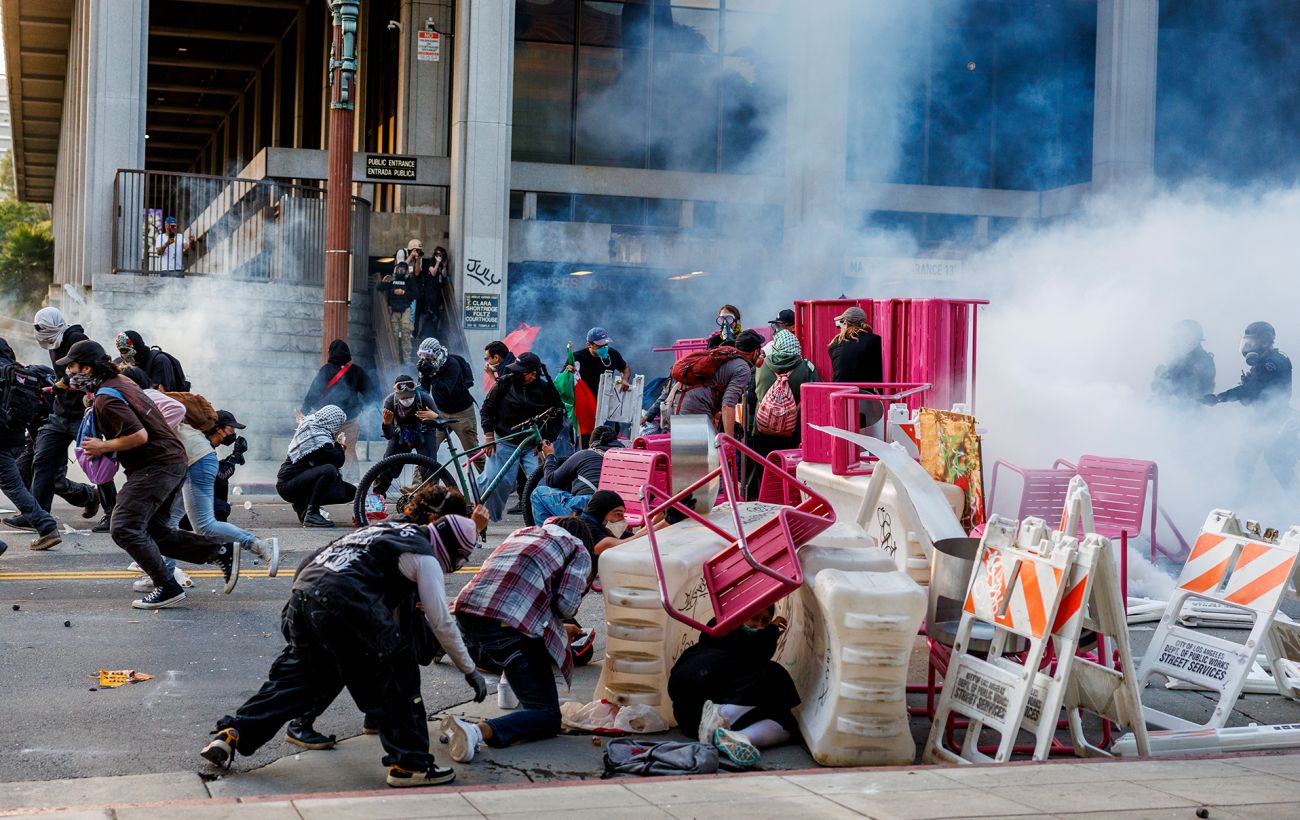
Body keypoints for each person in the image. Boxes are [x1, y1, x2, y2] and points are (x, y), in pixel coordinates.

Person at [200, 511, 489, 788]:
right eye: (460, 559)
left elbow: (317, 559)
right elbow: (441, 622)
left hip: (305, 594)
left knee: (299, 679)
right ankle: (411, 765)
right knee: (400, 674)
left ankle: (234, 732)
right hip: (345, 601)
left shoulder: (386, 529)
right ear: (451, 549)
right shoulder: (425, 556)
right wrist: (469, 670)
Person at [282, 484, 489, 749]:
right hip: (342, 607)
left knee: (387, 660)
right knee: (359, 662)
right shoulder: (407, 535)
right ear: (435, 520)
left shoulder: (414, 534)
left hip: (358, 607)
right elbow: (441, 619)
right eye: (452, 523)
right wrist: (469, 669)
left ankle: (378, 719)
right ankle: (304, 722)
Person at [59, 340, 237, 609]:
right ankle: (221, 551)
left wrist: (102, 446)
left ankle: (167, 586)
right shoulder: (122, 383)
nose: (69, 373)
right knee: (156, 531)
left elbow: (139, 435)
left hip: (156, 466)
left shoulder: (107, 398)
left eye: (72, 367)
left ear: (86, 368)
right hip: (171, 461)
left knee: (123, 527)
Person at [445, 516, 595, 762]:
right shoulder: (578, 549)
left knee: (521, 668)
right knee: (547, 716)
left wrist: (554, 627)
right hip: (506, 626)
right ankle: (475, 732)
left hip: (466, 614)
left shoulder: (523, 532)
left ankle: (439, 642)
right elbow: (566, 606)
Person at [156, 396, 279, 587]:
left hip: (196, 468)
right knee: (169, 524)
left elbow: (218, 475)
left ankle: (260, 545)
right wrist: (233, 458)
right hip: (191, 467)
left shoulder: (194, 439)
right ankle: (165, 576)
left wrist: (234, 458)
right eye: (231, 428)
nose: (234, 433)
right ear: (219, 428)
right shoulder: (194, 436)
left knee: (204, 526)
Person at [668, 605, 800, 767]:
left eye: (765, 621)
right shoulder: (730, 637)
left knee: (785, 720)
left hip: (692, 724)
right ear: (738, 616)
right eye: (754, 618)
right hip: (698, 710)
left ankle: (738, 738)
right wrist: (771, 631)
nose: (759, 625)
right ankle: (724, 718)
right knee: (773, 673)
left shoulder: (717, 641)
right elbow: (758, 650)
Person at [18, 307, 101, 533]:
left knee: (96, 462)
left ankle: (111, 511)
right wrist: (56, 388)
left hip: (81, 414)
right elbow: (63, 377)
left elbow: (88, 373)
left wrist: (61, 385)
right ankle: (38, 516)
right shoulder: (53, 342)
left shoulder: (76, 338)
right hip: (60, 412)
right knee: (43, 460)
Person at [478, 352, 564, 521]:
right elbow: (486, 410)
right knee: (495, 480)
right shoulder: (504, 383)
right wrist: (489, 436)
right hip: (504, 440)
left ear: (532, 374)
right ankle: (485, 519)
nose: (515, 373)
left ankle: (544, 523)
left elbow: (558, 416)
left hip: (533, 445)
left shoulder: (546, 389)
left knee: (542, 482)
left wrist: (546, 440)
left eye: (520, 371)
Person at [0, 338, 61, 551]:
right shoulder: (15, 370)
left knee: (13, 486)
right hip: (15, 438)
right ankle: (46, 526)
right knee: (13, 485)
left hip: (1, 439)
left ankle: (46, 526)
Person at [747, 330, 817, 496]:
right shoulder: (806, 367)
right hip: (793, 431)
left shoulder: (762, 365)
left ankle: (765, 500)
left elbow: (752, 392)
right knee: (789, 474)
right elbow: (816, 394)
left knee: (765, 470)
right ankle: (788, 499)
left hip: (762, 429)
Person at [300, 339, 380, 482]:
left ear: (330, 353)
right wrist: (362, 407)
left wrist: (304, 411)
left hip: (326, 421)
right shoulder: (356, 371)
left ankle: (328, 480)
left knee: (326, 451)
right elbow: (372, 393)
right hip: (350, 418)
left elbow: (314, 392)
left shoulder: (325, 370)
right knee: (349, 450)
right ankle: (354, 483)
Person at [674, 329, 763, 438]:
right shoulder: (743, 369)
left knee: (689, 447)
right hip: (696, 404)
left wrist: (731, 423)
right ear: (755, 352)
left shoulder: (728, 355)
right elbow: (727, 405)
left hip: (684, 400)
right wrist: (729, 440)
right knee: (705, 448)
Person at [277, 405, 356, 528]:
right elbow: (338, 460)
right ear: (333, 422)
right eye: (338, 424)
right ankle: (312, 513)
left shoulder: (311, 425)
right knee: (329, 470)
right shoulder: (318, 439)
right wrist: (339, 446)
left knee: (349, 491)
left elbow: (302, 419)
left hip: (297, 482)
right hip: (288, 485)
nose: (339, 428)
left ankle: (303, 508)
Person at [528, 426, 621, 524]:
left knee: (537, 494)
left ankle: (549, 533)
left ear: (592, 443)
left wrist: (549, 455)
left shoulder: (585, 454)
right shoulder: (624, 458)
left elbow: (551, 480)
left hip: (588, 505)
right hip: (616, 508)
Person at [374, 374, 443, 495]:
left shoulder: (425, 399)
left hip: (424, 433)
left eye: (409, 396)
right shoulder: (390, 401)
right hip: (400, 434)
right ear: (396, 394)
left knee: (430, 467)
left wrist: (436, 417)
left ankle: (432, 498)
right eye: (403, 397)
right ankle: (377, 497)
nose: (406, 399)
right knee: (387, 465)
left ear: (415, 391)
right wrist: (386, 424)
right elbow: (389, 436)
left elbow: (443, 425)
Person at [1205, 321, 1293, 409]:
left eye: (1251, 343)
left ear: (1265, 342)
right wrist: (1250, 382)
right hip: (1267, 412)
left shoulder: (1272, 362)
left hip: (1275, 413)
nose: (1248, 347)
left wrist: (1219, 397)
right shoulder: (1264, 361)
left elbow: (1251, 390)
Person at [569, 327, 632, 446]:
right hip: (585, 406)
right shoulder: (577, 357)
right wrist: (569, 371)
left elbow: (625, 367)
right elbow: (564, 378)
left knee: (607, 440)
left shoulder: (612, 354)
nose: (604, 348)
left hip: (606, 404)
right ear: (589, 345)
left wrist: (624, 379)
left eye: (606, 344)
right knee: (585, 442)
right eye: (599, 345)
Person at [417, 338, 478, 457]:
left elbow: (445, 391)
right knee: (427, 452)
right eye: (422, 356)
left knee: (473, 453)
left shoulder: (452, 364)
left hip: (462, 413)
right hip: (440, 412)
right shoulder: (428, 365)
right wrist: (423, 374)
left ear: (436, 354)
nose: (425, 360)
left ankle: (486, 471)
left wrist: (432, 374)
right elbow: (425, 391)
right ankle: (422, 470)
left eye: (428, 356)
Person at [828, 306, 885, 427]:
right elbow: (877, 373)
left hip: (840, 397)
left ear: (846, 323)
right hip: (865, 397)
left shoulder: (834, 345)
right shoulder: (875, 340)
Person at [1152, 320, 1216, 404]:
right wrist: (1160, 377)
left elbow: (1206, 388)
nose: (1187, 342)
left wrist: (1181, 397)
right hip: (1167, 407)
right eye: (1183, 338)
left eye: (1190, 339)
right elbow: (1159, 388)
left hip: (1191, 408)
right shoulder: (1175, 357)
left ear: (1197, 341)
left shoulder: (1204, 361)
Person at [115, 330, 189, 392]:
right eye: (120, 351)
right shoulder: (120, 362)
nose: (122, 355)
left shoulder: (160, 361)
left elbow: (161, 393)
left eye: (124, 350)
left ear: (136, 347)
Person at [376, 263, 416, 364]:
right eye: (399, 269)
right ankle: (395, 359)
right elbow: (379, 287)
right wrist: (383, 281)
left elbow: (416, 294)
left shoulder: (410, 280)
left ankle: (407, 360)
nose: (400, 271)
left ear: (406, 271)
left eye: (403, 269)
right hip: (394, 310)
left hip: (405, 309)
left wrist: (404, 293)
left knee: (406, 333)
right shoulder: (392, 280)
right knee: (394, 335)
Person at [413, 247, 450, 350]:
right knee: (427, 314)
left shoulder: (442, 263)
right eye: (437, 254)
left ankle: (432, 334)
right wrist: (437, 262)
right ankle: (420, 333)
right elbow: (433, 272)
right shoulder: (431, 262)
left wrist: (444, 266)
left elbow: (444, 275)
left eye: (441, 254)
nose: (439, 256)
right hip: (429, 292)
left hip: (437, 293)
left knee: (436, 315)